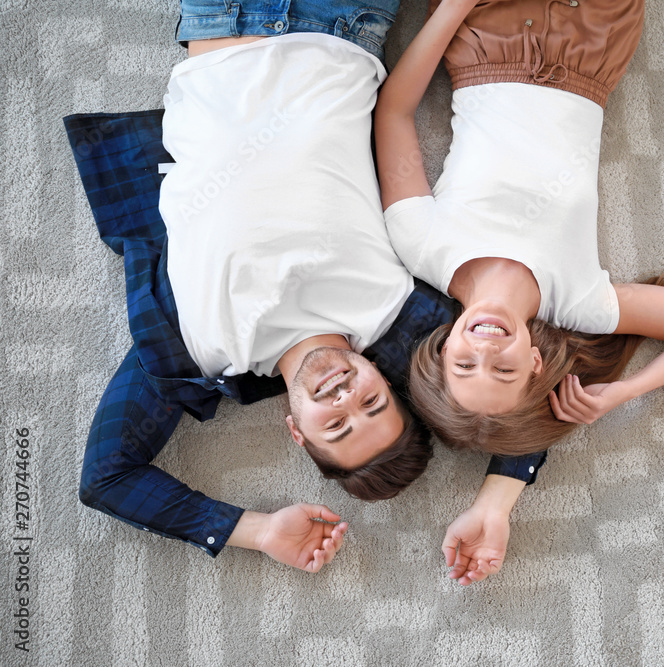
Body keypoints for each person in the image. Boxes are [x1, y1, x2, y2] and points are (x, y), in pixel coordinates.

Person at [72, 0, 545, 575]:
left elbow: (107, 476)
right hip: (340, 23)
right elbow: (522, 404)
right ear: (388, 376)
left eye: (337, 426)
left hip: (224, 21)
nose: (345, 397)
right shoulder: (388, 317)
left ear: (296, 432)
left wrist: (260, 530)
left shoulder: (197, 348)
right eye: (372, 402)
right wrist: (495, 506)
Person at [373, 0, 664, 584]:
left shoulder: (421, 245)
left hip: (484, 39)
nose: (487, 351)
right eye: (503, 372)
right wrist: (624, 392)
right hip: (590, 48)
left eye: (466, 364)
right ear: (535, 360)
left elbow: (394, 113)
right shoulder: (580, 302)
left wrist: (451, 9)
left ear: (444, 347)